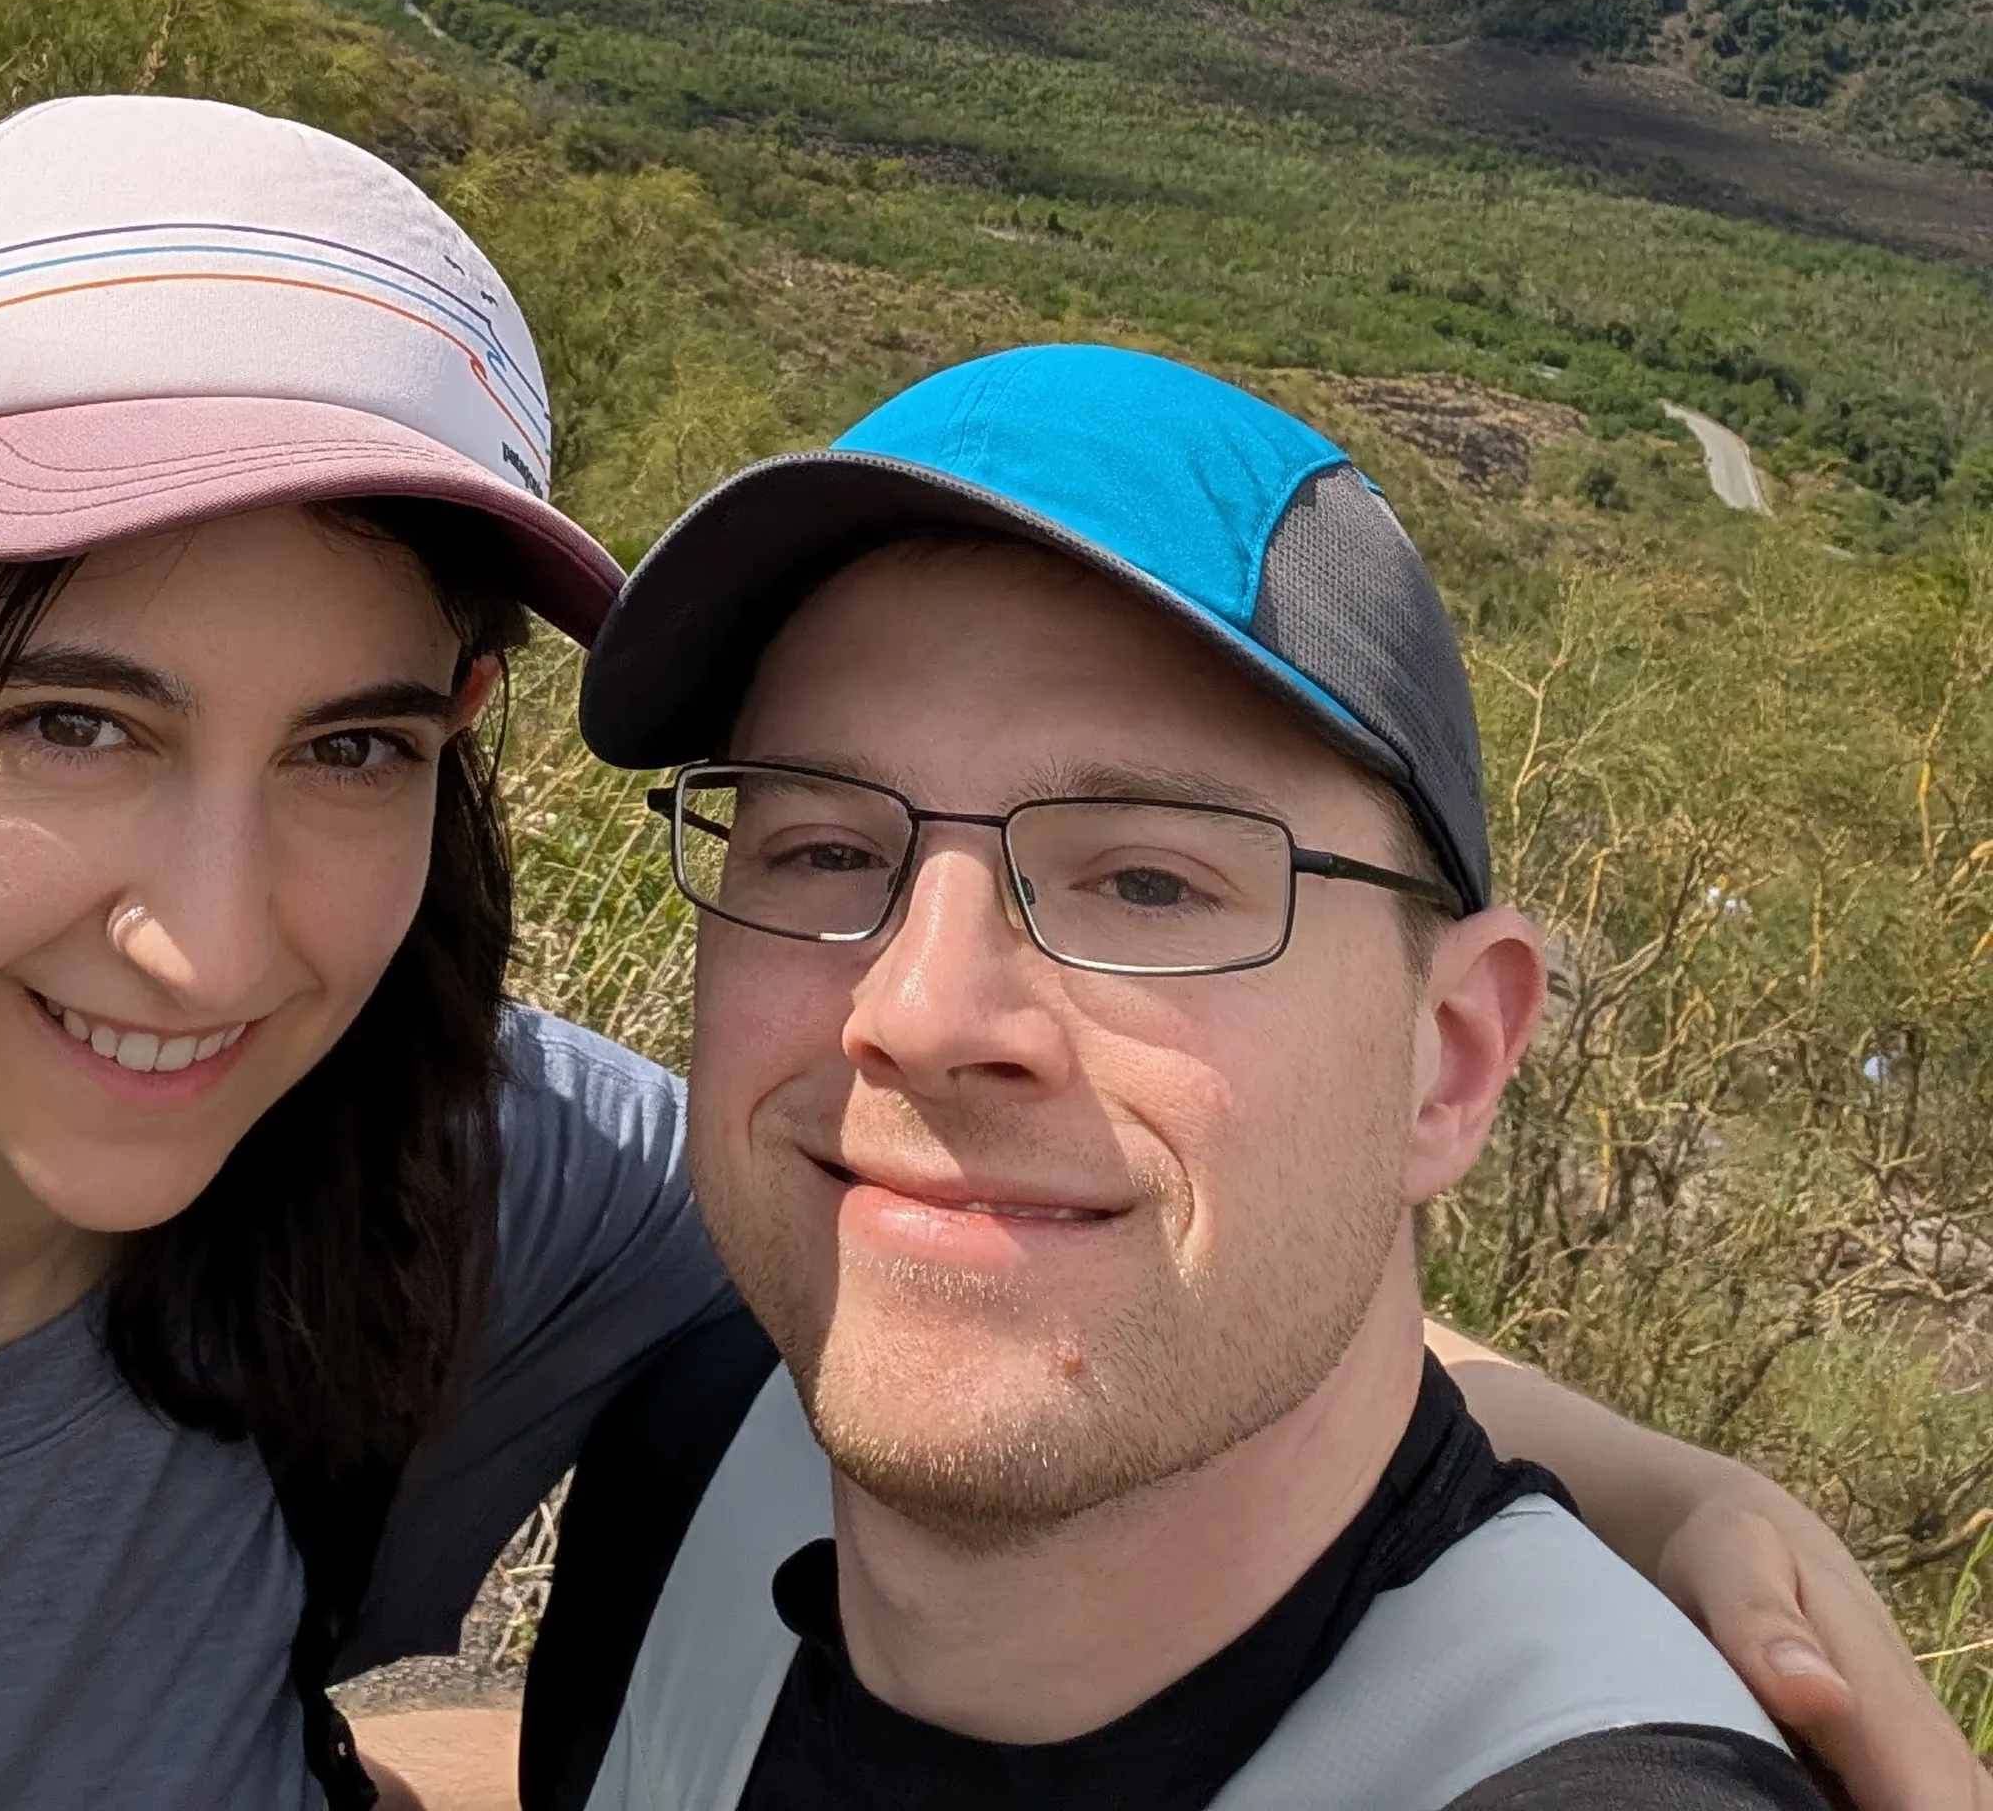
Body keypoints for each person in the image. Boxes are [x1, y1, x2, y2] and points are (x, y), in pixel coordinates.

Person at [0, 127, 1967, 1811]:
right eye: (75, 720)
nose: (209, 934)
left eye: (350, 751)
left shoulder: (430, 1158)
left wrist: (1655, 1495)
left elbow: (1027, 1255)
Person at [510, 344, 1971, 1811]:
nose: (921, 1009)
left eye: (1146, 885)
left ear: (1449, 1060)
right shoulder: (693, 1445)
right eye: (823, 852)